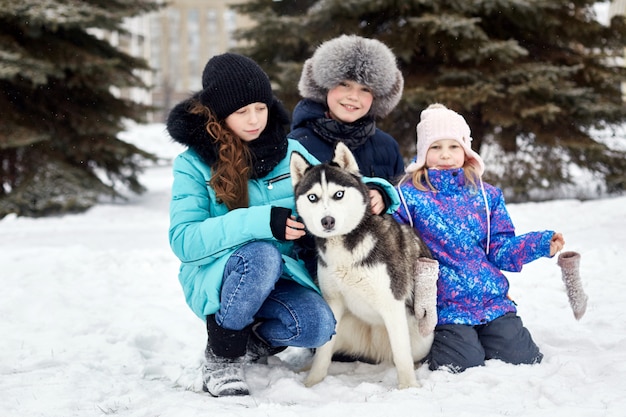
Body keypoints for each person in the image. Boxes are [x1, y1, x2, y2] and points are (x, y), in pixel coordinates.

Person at [166, 53, 399, 397]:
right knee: (261, 255)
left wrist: (380, 191)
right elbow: (184, 240)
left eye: (260, 108)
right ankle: (222, 357)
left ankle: (249, 342)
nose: (254, 120)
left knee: (319, 326)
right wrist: (262, 221)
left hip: (281, 276)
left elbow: (335, 182)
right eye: (241, 112)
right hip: (222, 275)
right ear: (219, 114)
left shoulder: (288, 150)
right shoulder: (193, 165)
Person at [393, 103, 565, 373]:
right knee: (463, 363)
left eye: (453, 147)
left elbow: (501, 249)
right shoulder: (407, 197)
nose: (445, 155)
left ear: (465, 150)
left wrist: (540, 244)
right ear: (423, 152)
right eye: (435, 147)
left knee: (521, 356)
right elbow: (396, 249)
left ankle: (491, 335)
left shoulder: (487, 196)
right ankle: (452, 343)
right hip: (443, 304)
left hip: (490, 299)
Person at [289, 34, 405, 185]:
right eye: (345, 85)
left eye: (365, 89)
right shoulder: (297, 144)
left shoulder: (387, 147)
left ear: (377, 97)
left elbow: (401, 200)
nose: (353, 96)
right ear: (324, 86)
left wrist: (385, 195)